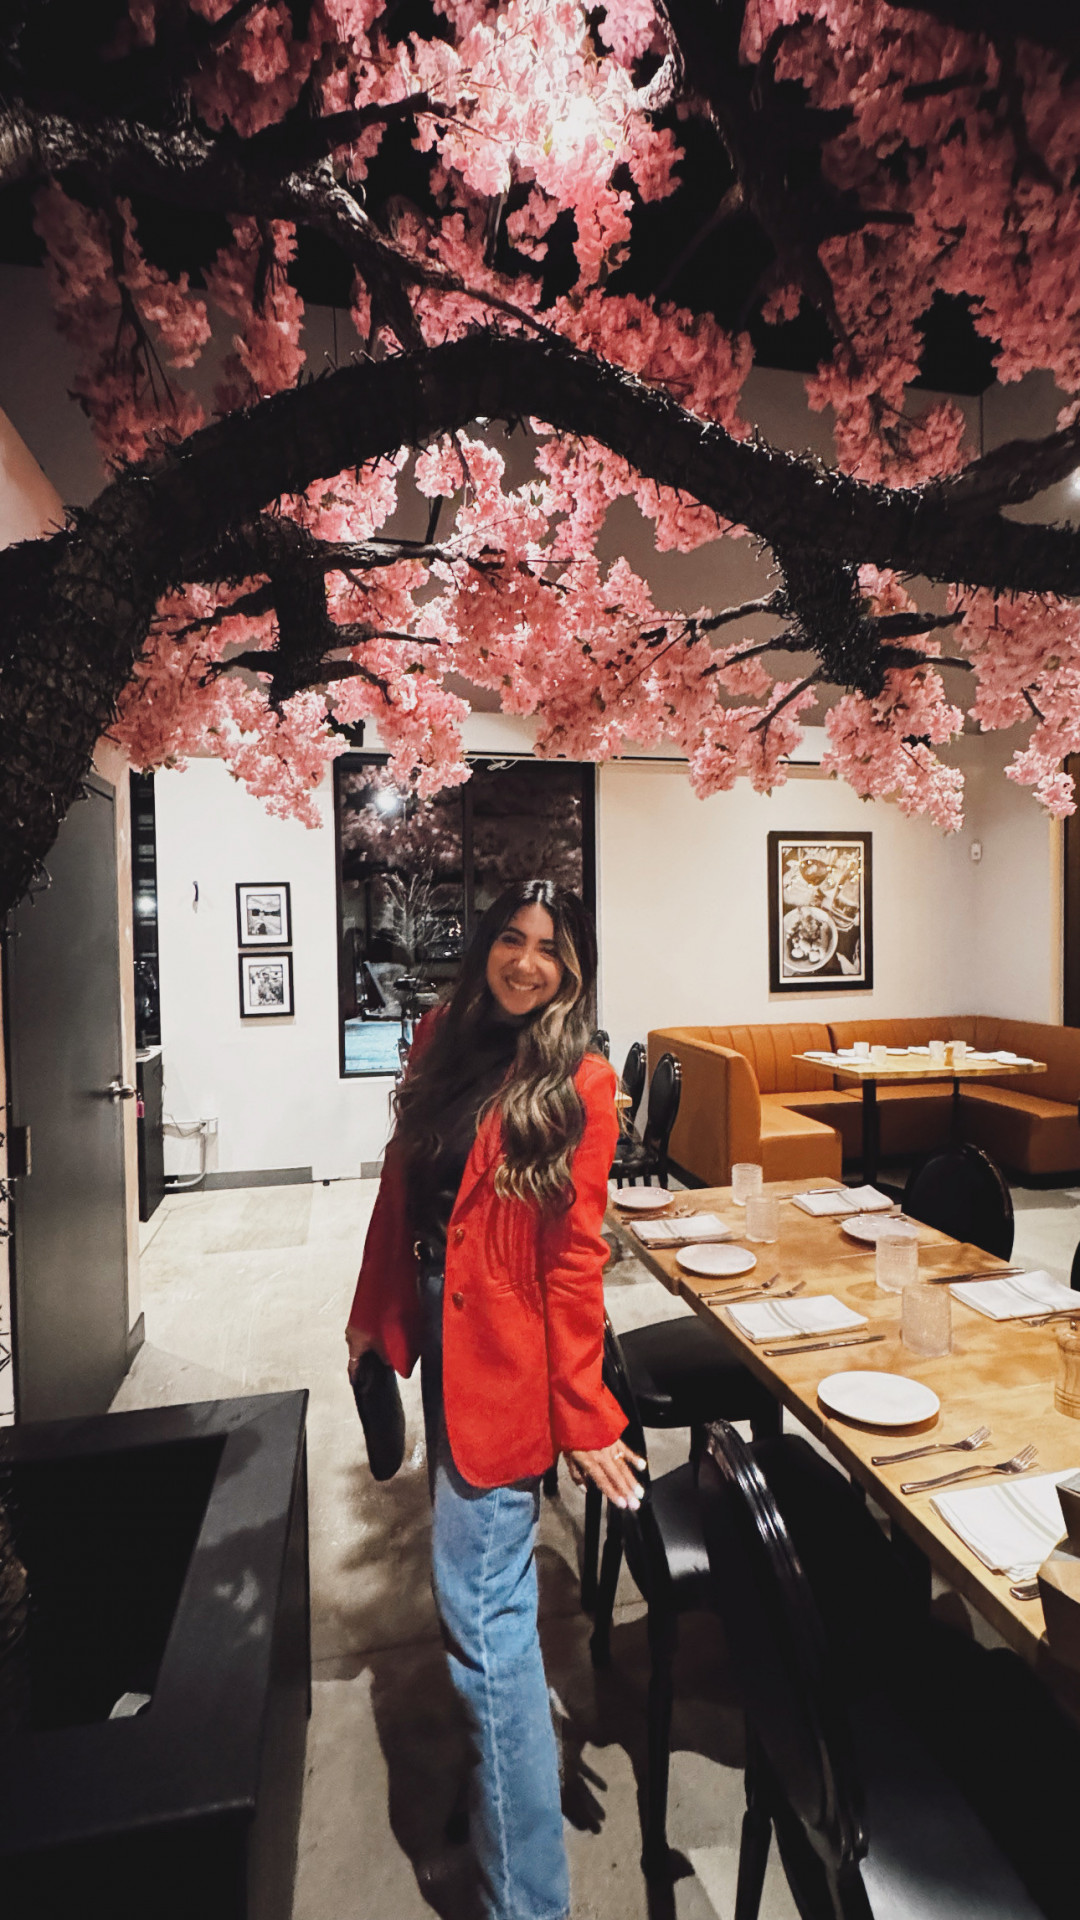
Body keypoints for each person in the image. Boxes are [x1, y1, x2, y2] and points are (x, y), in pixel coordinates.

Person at [346, 879, 644, 1920]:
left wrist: (584, 1409)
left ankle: (528, 1899)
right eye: (512, 939)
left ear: (574, 969)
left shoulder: (582, 1082)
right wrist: (374, 1315)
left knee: (487, 1627)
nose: (527, 962)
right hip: (440, 1327)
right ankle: (500, 1810)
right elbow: (402, 1190)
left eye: (550, 949)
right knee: (481, 1604)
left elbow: (573, 1261)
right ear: (485, 945)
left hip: (509, 1360)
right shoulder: (443, 1036)